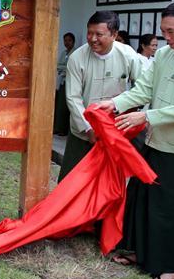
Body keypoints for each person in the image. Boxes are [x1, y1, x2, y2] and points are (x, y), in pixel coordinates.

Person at [93, 2, 174, 279]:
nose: (167, 38)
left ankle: (173, 267)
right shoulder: (163, 55)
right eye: (163, 32)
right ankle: (143, 253)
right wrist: (114, 104)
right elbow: (143, 89)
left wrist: (147, 115)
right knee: (145, 200)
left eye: (172, 31)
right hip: (155, 140)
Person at [58, 11, 143, 182]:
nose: (92, 38)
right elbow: (73, 98)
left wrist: (129, 108)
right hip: (84, 130)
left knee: (109, 183)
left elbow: (143, 87)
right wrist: (87, 127)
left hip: (115, 130)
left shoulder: (127, 54)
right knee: (73, 181)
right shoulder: (77, 58)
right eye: (90, 33)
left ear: (114, 35)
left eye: (99, 34)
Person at [53, 32, 75, 135]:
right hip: (61, 81)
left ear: (73, 41)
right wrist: (63, 68)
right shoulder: (64, 53)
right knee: (59, 105)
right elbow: (58, 65)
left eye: (69, 40)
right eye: (65, 40)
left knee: (65, 106)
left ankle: (63, 129)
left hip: (70, 82)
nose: (67, 43)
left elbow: (70, 68)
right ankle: (58, 128)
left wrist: (63, 68)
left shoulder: (75, 53)